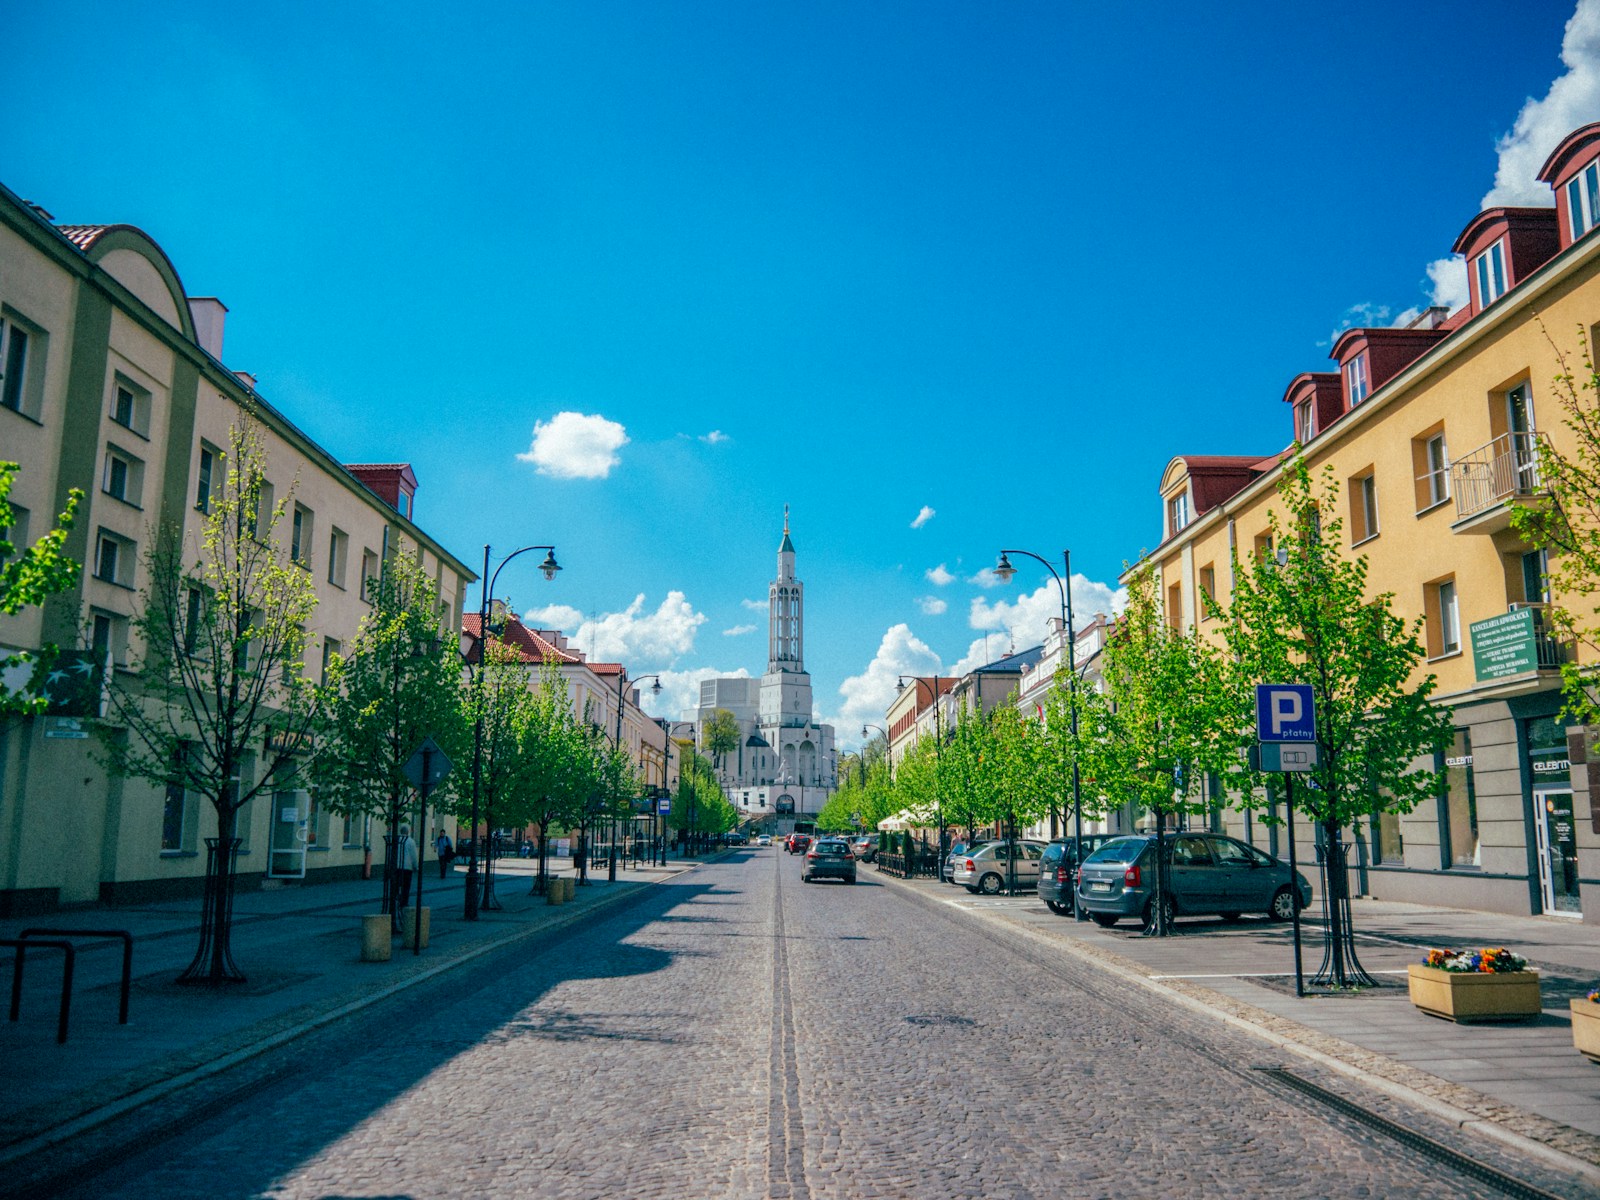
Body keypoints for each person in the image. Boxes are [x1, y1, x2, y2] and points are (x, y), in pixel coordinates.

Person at [392, 824, 418, 932]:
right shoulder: (411, 841)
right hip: (407, 867)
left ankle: (395, 897)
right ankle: (404, 901)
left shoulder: (396, 840)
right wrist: (415, 866)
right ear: (408, 832)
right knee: (406, 886)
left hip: (396, 867)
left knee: (396, 884)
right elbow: (413, 855)